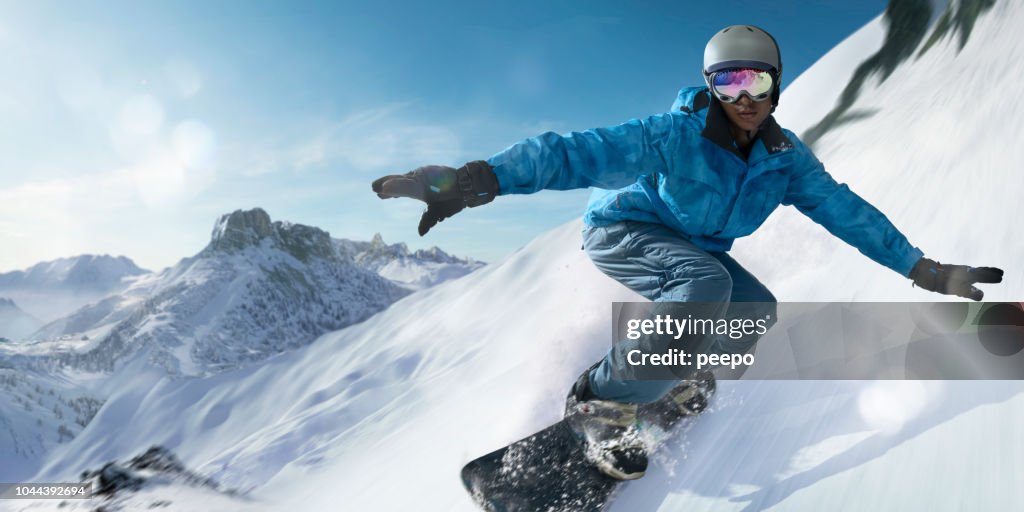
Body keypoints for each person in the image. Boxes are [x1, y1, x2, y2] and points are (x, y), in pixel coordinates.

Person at [371, 25, 1003, 481]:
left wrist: (924, 269)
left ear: (776, 88)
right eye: (728, 82)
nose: (744, 96)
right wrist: (473, 179)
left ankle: (676, 382)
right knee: (706, 289)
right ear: (712, 88)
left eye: (757, 80)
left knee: (755, 308)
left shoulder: (786, 162)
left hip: (689, 246)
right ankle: (599, 399)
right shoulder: (675, 134)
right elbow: (575, 152)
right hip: (625, 230)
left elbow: (845, 212)